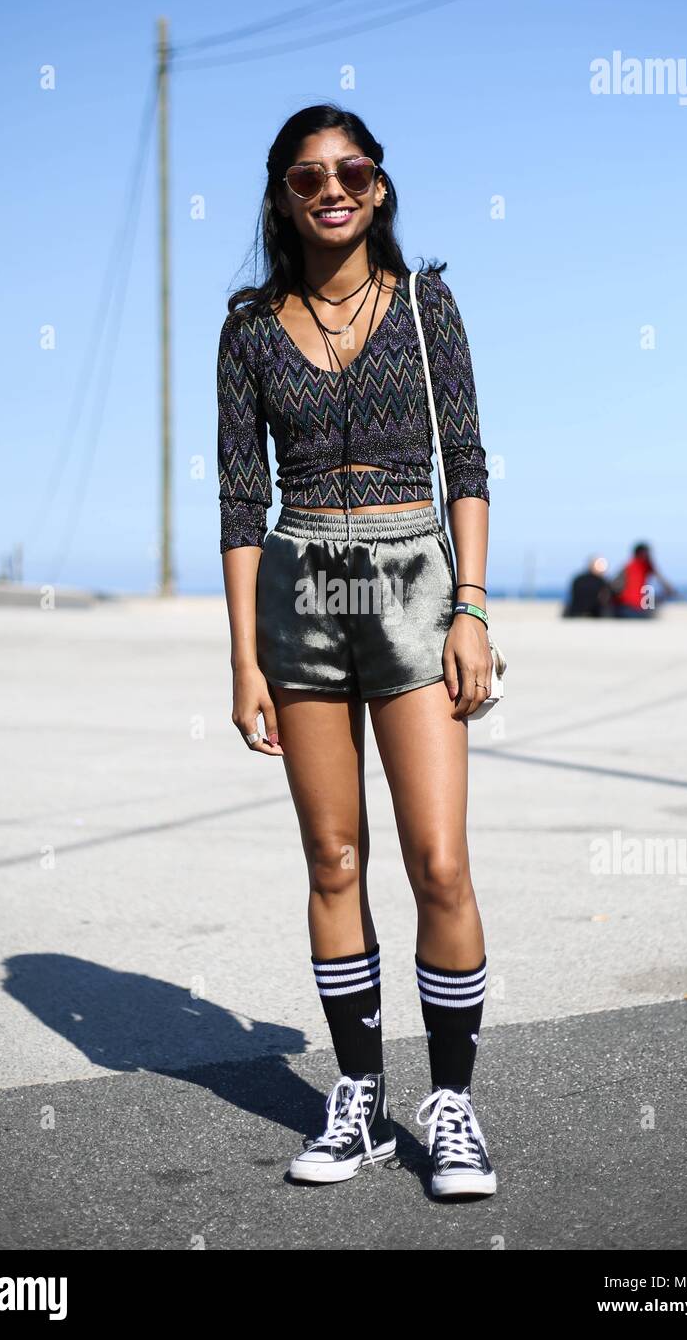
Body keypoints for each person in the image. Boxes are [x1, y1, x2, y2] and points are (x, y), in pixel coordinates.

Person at [216, 104, 499, 1199]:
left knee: (438, 860)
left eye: (352, 171)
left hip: (414, 588)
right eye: (306, 175)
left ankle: (454, 1105)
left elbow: (465, 463)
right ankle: (359, 1099)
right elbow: (242, 505)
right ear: (282, 195)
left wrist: (469, 608)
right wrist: (244, 658)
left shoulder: (425, 306)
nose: (331, 188)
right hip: (299, 598)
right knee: (332, 860)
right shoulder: (247, 329)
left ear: (378, 187)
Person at [610, 542, 676, 618]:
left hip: (626, 607)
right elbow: (662, 581)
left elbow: (614, 584)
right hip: (634, 608)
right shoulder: (644, 565)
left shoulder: (627, 566)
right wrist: (674, 594)